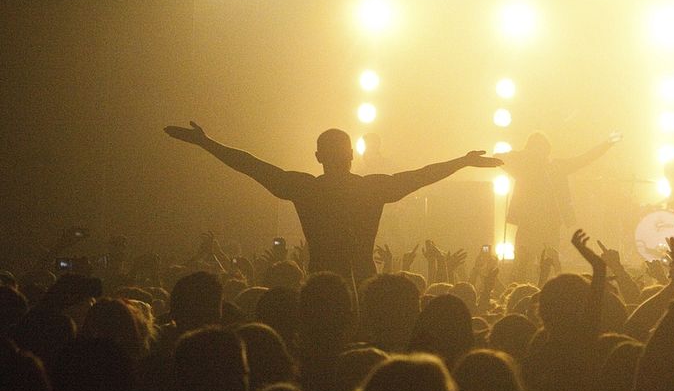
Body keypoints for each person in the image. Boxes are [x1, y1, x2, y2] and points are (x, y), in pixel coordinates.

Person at [164, 122, 501, 287]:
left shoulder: (305, 189)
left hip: (321, 284)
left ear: (317, 157)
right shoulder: (371, 189)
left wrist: (207, 143)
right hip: (364, 281)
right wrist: (461, 161)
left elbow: (250, 164)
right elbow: (421, 175)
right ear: (353, 156)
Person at [499, 131, 620, 270]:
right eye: (534, 149)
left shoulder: (557, 167)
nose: (538, 153)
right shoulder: (524, 168)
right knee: (521, 265)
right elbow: (498, 158)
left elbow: (584, 159)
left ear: (547, 150)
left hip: (550, 225)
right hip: (527, 224)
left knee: (549, 265)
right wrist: (524, 154)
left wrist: (606, 144)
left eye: (541, 149)